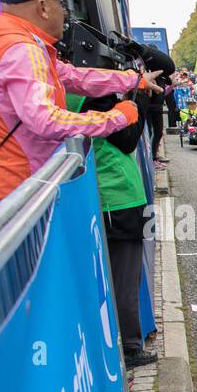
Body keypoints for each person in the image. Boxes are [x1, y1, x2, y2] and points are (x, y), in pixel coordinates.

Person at [0, 0, 160, 205]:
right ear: (43, 7)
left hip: (15, 189)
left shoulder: (13, 43)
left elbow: (74, 77)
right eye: (60, 3)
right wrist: (116, 117)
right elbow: (45, 120)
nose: (64, 12)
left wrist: (134, 80)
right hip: (16, 196)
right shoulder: (22, 50)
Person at [62, 88, 153, 367]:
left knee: (117, 277)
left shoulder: (71, 96)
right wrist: (140, 98)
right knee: (125, 278)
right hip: (118, 197)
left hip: (107, 196)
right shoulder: (94, 98)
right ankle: (130, 347)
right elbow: (127, 140)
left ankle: (123, 343)